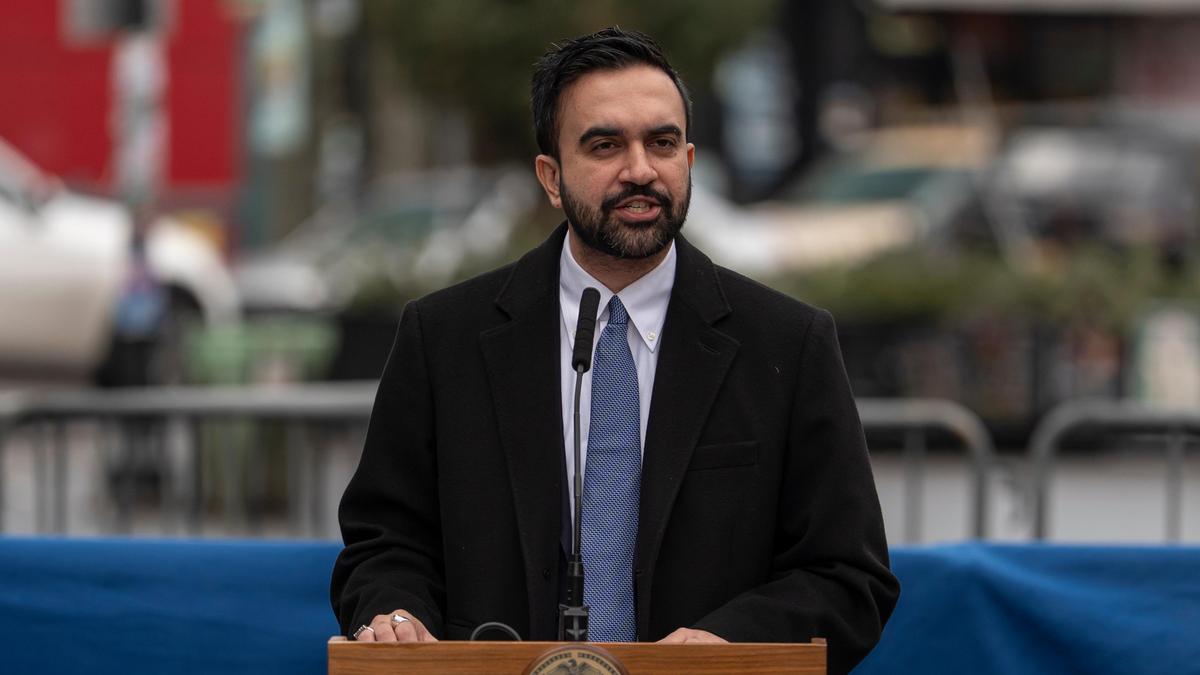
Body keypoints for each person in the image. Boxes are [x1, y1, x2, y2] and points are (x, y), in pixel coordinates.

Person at [331, 27, 898, 674]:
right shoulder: (443, 337)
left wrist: (730, 642)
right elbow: (384, 543)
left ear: (689, 159)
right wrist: (396, 614)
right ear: (551, 177)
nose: (640, 170)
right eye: (605, 145)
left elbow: (848, 576)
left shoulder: (788, 343)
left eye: (662, 143)